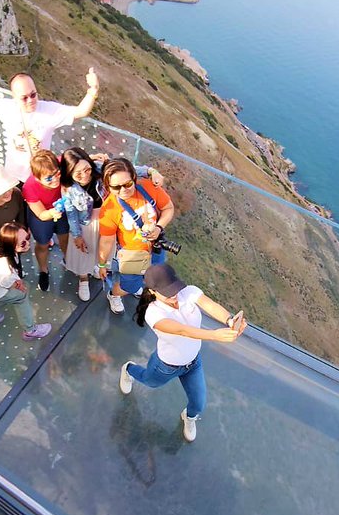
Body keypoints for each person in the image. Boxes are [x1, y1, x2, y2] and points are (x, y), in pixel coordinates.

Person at [120, 263, 247, 442]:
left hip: (193, 362)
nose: (174, 296)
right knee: (150, 381)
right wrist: (214, 336)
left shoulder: (188, 292)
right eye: (167, 293)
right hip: (166, 365)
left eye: (174, 289)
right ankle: (129, 369)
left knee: (199, 402)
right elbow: (182, 331)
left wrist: (229, 319)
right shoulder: (153, 313)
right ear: (153, 292)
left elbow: (210, 305)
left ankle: (189, 417)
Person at [0, 50, 100, 184]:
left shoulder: (49, 110)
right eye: (24, 97)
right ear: (14, 97)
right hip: (14, 176)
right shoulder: (7, 108)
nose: (30, 100)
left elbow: (80, 111)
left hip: (41, 177)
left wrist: (93, 89)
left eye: (33, 94)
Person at [59, 147, 166, 302]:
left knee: (104, 249)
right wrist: (77, 235)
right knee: (84, 252)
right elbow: (72, 214)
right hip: (87, 224)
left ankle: (98, 267)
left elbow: (128, 172)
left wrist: (151, 171)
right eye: (78, 173)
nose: (85, 175)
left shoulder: (101, 169)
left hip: (109, 219)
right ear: (70, 173)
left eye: (87, 169)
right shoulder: (69, 189)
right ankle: (84, 279)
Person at [97, 158, 174, 315]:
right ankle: (114, 295)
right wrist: (102, 264)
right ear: (108, 186)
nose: (123, 190)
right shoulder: (109, 209)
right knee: (129, 286)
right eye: (116, 187)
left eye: (127, 184)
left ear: (134, 178)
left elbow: (168, 208)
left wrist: (159, 228)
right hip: (133, 255)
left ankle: (137, 285)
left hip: (156, 247)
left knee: (152, 275)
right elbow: (106, 241)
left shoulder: (147, 187)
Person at [0, 221, 53, 341]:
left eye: (27, 238)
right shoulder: (4, 266)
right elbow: (7, 283)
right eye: (22, 243)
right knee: (20, 296)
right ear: (11, 245)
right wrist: (19, 285)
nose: (28, 244)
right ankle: (30, 331)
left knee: (3, 296)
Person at [21, 150, 68, 291]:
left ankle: (69, 260)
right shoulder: (29, 187)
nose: (55, 180)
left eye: (57, 174)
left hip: (61, 208)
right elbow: (41, 214)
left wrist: (93, 157)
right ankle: (43, 270)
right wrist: (53, 213)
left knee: (65, 238)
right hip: (42, 214)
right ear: (36, 178)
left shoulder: (55, 164)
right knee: (43, 244)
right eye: (49, 178)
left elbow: (73, 159)